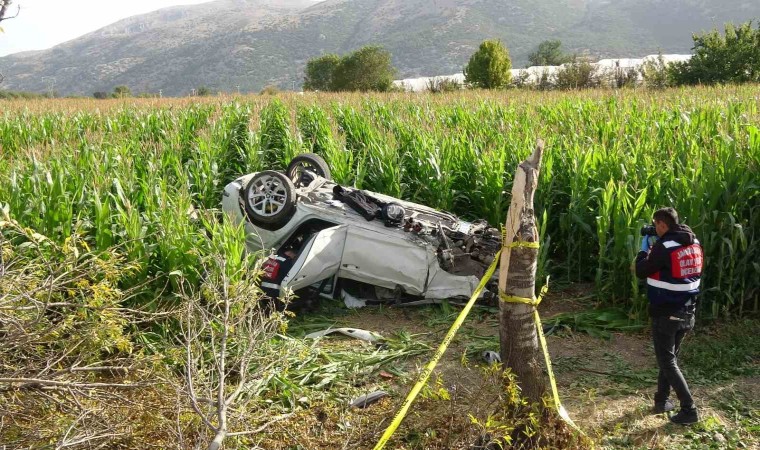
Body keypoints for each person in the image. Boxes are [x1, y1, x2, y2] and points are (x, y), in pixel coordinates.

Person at [635, 207, 703, 425]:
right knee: (669, 360)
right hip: (688, 311)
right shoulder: (694, 243)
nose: (655, 228)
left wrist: (643, 251)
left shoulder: (664, 247)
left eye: (656, 225)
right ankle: (662, 401)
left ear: (663, 225)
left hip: (667, 312)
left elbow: (641, 270)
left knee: (668, 362)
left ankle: (689, 409)